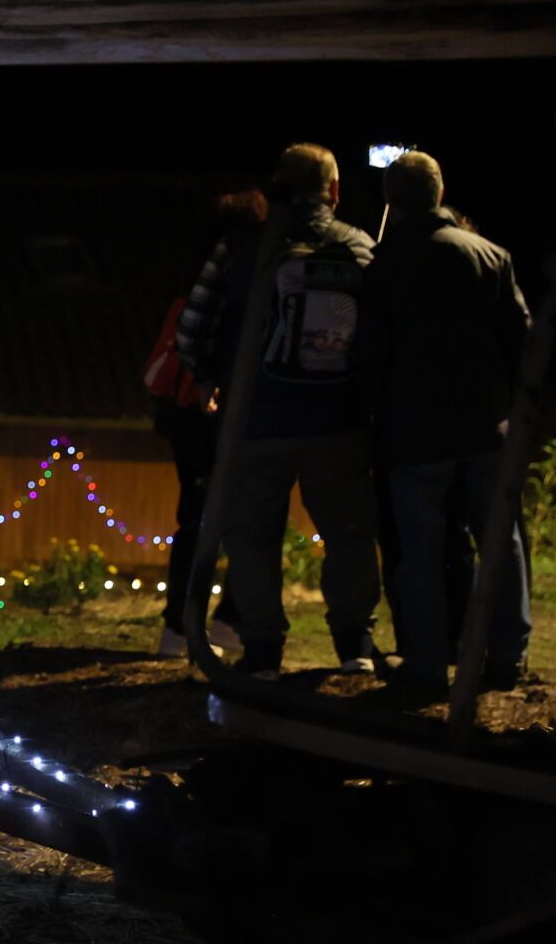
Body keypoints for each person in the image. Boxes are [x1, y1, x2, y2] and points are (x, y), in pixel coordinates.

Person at [176, 143, 380, 679]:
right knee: (348, 533)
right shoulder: (361, 248)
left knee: (253, 536)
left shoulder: (242, 246)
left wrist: (206, 378)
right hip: (339, 422)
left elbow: (192, 326)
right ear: (334, 191)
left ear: (277, 186)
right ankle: (354, 644)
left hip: (256, 418)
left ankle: (263, 650)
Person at [362, 152, 532, 690]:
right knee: (500, 540)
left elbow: (371, 350)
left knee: (420, 553)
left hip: (414, 430)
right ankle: (507, 657)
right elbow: (522, 340)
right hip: (485, 424)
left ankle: (427, 665)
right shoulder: (490, 255)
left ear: (392, 201)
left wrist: (371, 413)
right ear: (439, 193)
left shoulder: (386, 263)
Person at [143, 191, 255, 658]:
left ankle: (186, 623)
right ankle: (210, 621)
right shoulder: (233, 274)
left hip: (182, 414)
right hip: (207, 412)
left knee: (199, 515)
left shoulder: (193, 274)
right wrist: (212, 384)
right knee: (233, 514)